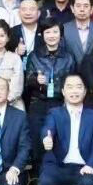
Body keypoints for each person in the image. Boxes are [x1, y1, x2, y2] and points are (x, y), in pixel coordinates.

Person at [37, 73, 93, 185]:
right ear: (63, 91)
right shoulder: (54, 113)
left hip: (83, 167)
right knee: (45, 182)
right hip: (56, 167)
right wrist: (46, 138)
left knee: (89, 184)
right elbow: (47, 129)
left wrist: (91, 165)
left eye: (78, 87)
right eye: (70, 87)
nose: (74, 91)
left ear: (85, 91)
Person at [23, 21, 77, 163]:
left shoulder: (69, 57)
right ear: (42, 35)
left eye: (55, 32)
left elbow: (74, 81)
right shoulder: (34, 55)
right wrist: (36, 80)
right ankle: (37, 174)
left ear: (61, 35)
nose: (51, 35)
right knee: (37, 142)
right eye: (47, 32)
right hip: (38, 103)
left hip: (60, 103)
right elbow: (27, 81)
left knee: (59, 140)